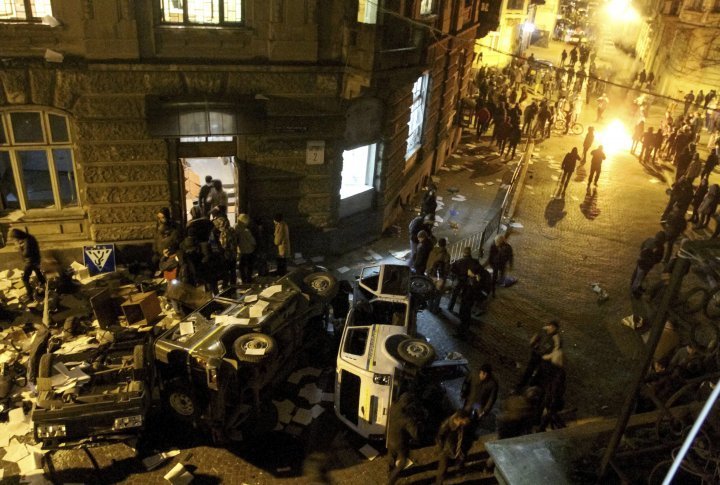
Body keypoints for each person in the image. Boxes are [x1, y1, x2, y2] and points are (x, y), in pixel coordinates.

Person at [387, 393, 421, 485]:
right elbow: (415, 434)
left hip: (390, 438)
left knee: (391, 457)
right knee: (402, 463)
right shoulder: (407, 418)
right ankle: (390, 482)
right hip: (401, 443)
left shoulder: (393, 407)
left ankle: (389, 471)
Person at [519, 320, 562, 389]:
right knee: (529, 370)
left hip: (544, 359)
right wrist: (533, 343)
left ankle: (532, 388)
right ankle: (522, 385)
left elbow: (556, 351)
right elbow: (535, 338)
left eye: (553, 328)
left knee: (538, 374)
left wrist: (547, 357)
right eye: (551, 327)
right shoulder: (543, 331)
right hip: (536, 354)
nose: (551, 329)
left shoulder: (556, 339)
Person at [434, 410, 473, 484]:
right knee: (442, 470)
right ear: (458, 419)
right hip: (447, 450)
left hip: (461, 449)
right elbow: (439, 437)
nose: (467, 422)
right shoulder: (447, 424)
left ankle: (458, 472)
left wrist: (466, 447)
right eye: (465, 420)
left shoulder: (466, 425)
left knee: (460, 464)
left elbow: (470, 436)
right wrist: (442, 449)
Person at [10, 229, 45, 301]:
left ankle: (30, 295)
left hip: (30, 262)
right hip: (35, 260)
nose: (14, 240)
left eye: (14, 238)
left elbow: (26, 253)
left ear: (17, 236)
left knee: (25, 278)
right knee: (38, 273)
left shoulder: (27, 241)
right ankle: (44, 285)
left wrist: (19, 247)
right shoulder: (30, 237)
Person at [631, 231, 666, 298]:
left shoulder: (650, 240)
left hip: (643, 261)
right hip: (645, 263)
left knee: (639, 275)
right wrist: (653, 261)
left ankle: (637, 287)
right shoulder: (659, 247)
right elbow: (658, 258)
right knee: (639, 276)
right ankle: (635, 290)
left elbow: (642, 246)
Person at [211, 206, 238, 286]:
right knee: (233, 271)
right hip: (233, 254)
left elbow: (224, 246)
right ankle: (233, 286)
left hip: (226, 255)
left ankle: (226, 288)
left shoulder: (223, 233)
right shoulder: (232, 230)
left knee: (225, 271)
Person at [447, 247, 479, 313]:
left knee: (454, 295)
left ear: (463, 253)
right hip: (469, 282)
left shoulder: (459, 261)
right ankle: (463, 311)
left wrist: (454, 278)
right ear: (470, 253)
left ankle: (450, 307)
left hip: (459, 280)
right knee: (465, 297)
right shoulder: (475, 261)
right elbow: (477, 271)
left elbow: (452, 270)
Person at [426, 238, 450, 313]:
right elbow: (446, 267)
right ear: (445, 244)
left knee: (430, 290)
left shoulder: (432, 252)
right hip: (440, 277)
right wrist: (445, 276)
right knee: (438, 293)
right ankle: (435, 309)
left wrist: (428, 272)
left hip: (431, 274)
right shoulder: (446, 255)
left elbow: (429, 262)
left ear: (438, 244)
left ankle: (429, 306)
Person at [236, 213, 257, 283]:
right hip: (248, 250)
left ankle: (243, 279)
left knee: (241, 266)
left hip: (240, 250)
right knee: (249, 266)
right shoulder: (246, 230)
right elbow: (252, 241)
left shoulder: (236, 228)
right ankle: (248, 279)